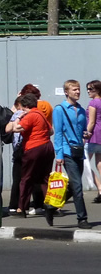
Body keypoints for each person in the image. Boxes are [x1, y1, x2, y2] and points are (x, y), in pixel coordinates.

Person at [8, 93, 54, 218]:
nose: (21, 110)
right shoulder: (41, 115)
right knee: (44, 179)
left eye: (22, 108)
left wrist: (19, 118)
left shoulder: (31, 115)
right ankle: (49, 205)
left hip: (34, 148)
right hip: (48, 148)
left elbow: (17, 128)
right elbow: (51, 131)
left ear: (26, 106)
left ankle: (21, 208)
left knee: (26, 179)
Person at [52, 79, 90, 229]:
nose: (78, 92)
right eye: (74, 89)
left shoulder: (81, 110)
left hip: (79, 151)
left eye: (79, 89)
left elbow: (83, 129)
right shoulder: (60, 109)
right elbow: (59, 134)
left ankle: (50, 206)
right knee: (78, 186)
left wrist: (85, 134)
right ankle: (82, 219)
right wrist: (59, 155)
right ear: (66, 92)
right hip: (67, 152)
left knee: (74, 186)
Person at [85, 80, 101, 204]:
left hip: (94, 135)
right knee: (99, 163)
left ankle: (99, 188)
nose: (88, 91)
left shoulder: (93, 103)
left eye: (91, 89)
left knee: (83, 161)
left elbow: (91, 121)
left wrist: (85, 135)